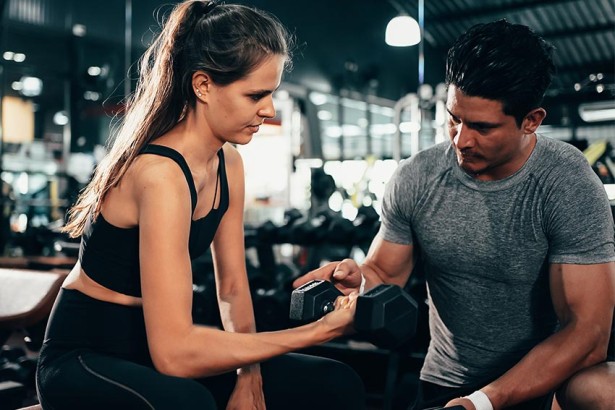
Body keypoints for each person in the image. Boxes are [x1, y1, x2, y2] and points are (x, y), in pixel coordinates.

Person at [35, 1, 365, 409]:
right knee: (188, 403)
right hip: (85, 357)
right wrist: (316, 332)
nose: (270, 109)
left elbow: (231, 287)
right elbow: (173, 354)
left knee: (332, 381)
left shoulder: (229, 162)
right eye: (256, 94)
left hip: (153, 348)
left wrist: (250, 374)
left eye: (272, 93)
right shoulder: (160, 175)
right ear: (203, 85)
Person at [295, 19, 615, 410]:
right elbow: (385, 273)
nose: (461, 140)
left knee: (602, 392)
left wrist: (482, 402)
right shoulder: (417, 177)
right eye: (454, 118)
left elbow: (588, 331)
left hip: (539, 383)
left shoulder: (566, 182)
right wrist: (357, 282)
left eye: (481, 126)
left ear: (531, 121)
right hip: (445, 383)